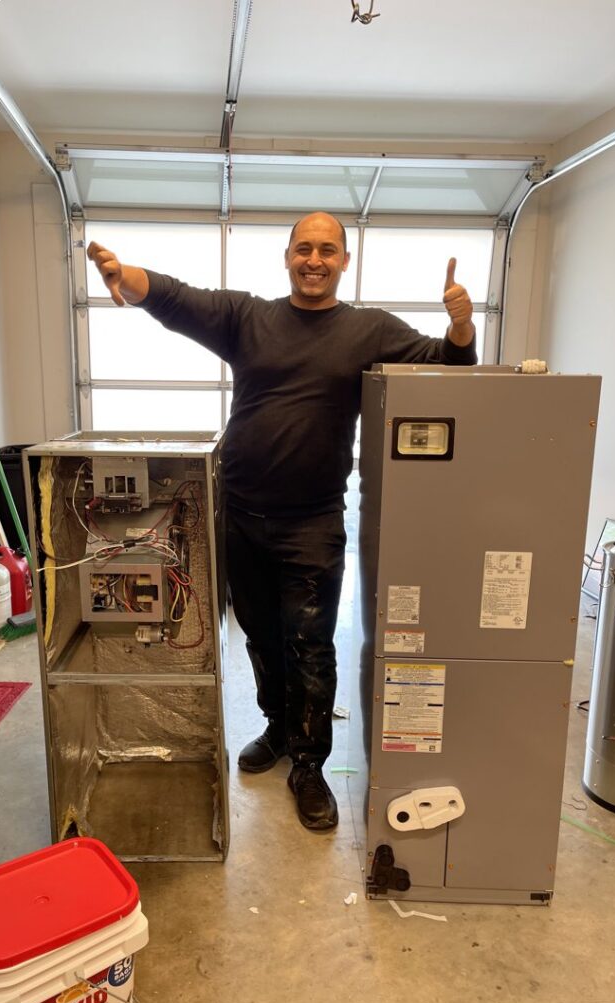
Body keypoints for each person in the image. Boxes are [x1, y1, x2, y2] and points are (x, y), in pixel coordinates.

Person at [87, 211, 476, 832]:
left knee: (311, 649)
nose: (314, 259)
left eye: (327, 250)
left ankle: (309, 765)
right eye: (304, 248)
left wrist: (461, 326)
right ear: (287, 257)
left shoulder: (368, 330)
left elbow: (447, 368)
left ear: (344, 261)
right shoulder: (250, 319)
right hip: (240, 513)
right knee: (262, 639)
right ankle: (276, 727)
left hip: (312, 524)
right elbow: (182, 300)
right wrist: (124, 276)